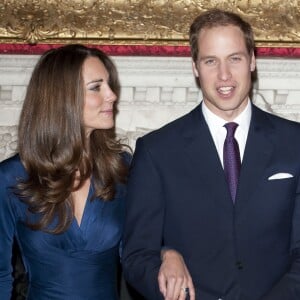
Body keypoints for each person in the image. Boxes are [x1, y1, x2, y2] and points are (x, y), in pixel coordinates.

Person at [122, 8, 300, 300]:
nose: (224, 75)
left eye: (235, 58)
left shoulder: (295, 143)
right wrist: (167, 271)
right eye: (210, 61)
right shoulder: (157, 151)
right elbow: (137, 256)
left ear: (252, 60)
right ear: (194, 67)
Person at [0, 44, 130, 299]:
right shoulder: (10, 177)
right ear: (62, 98)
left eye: (109, 84)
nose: (112, 95)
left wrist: (170, 253)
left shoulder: (121, 168)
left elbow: (141, 252)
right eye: (96, 87)